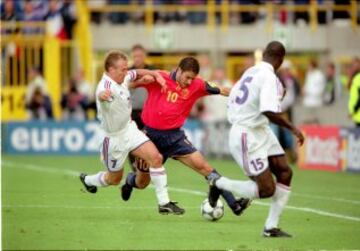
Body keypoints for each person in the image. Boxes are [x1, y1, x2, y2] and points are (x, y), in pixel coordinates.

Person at [121, 56, 251, 216]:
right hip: (150, 138)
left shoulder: (197, 85)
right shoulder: (159, 77)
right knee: (142, 183)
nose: (189, 81)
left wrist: (247, 97)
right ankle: (129, 180)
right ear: (179, 70)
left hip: (175, 138)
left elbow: (223, 90)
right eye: (187, 77)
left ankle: (234, 204)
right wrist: (133, 83)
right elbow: (131, 84)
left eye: (192, 78)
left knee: (206, 168)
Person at [208, 41, 305, 237]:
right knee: (267, 189)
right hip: (247, 134)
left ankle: (270, 227)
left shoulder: (252, 71)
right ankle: (219, 183)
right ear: (281, 60)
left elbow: (236, 95)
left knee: (285, 172)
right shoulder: (268, 76)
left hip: (260, 129)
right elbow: (268, 110)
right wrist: (292, 127)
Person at [79, 50, 185, 215]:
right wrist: (102, 96)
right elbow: (101, 95)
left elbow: (136, 73)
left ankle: (164, 203)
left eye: (126, 68)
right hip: (113, 139)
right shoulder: (105, 87)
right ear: (111, 70)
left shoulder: (122, 77)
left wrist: (154, 75)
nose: (126, 71)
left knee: (156, 158)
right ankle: (88, 180)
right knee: (114, 179)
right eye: (122, 69)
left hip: (129, 129)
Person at [348, 57, 360, 127]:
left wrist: (354, 110)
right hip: (356, 115)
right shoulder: (354, 78)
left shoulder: (358, 78)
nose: (354, 67)